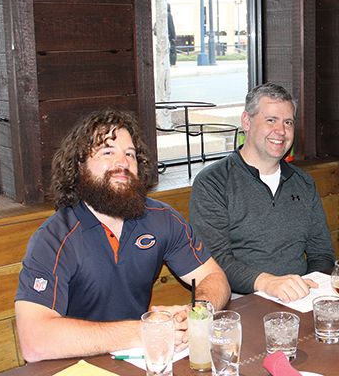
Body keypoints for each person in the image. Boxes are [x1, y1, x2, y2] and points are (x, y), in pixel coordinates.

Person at [15, 109, 230, 363]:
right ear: (79, 165)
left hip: (139, 361)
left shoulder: (161, 218)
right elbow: (34, 341)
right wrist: (147, 331)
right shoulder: (54, 238)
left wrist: (198, 312)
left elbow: (215, 278)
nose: (123, 162)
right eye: (108, 152)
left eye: (130, 154)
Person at [189, 82, 336, 303]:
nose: (282, 131)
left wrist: (312, 289)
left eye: (288, 122)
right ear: (246, 121)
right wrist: (269, 284)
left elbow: (321, 253)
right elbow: (215, 263)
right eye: (271, 120)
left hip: (301, 297)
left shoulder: (303, 182)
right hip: (240, 302)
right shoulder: (213, 182)